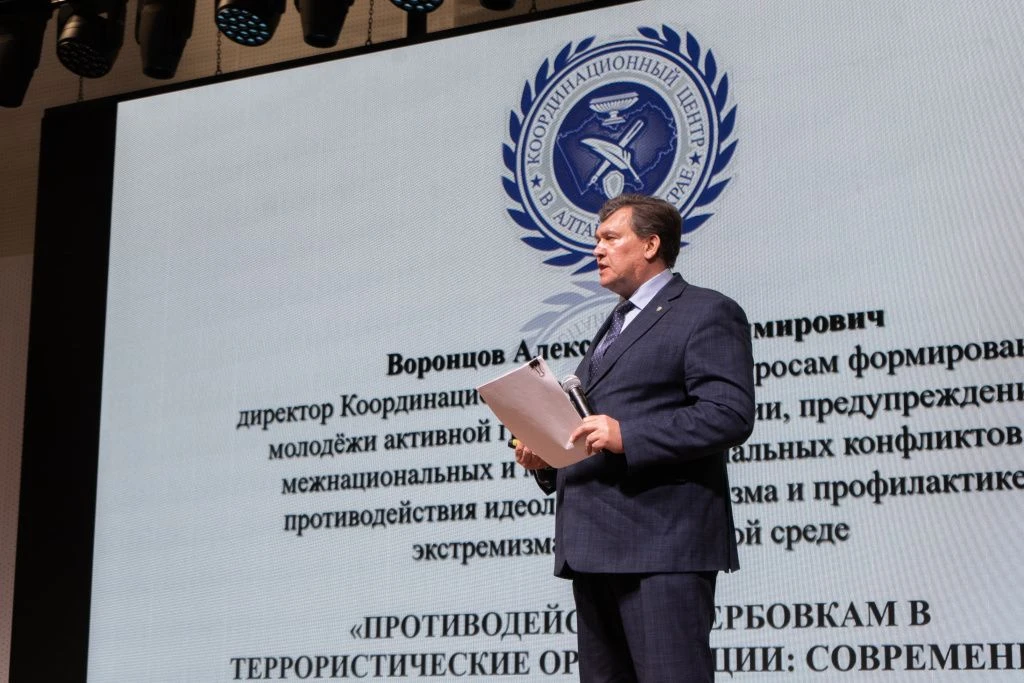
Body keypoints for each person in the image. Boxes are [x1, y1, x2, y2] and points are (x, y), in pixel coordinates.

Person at [515, 193, 755, 682]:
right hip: (594, 548)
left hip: (662, 547)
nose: (597, 250)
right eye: (596, 239)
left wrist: (629, 434)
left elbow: (728, 414)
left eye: (610, 238)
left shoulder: (706, 311)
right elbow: (595, 426)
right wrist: (550, 456)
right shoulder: (616, 323)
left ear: (650, 244)